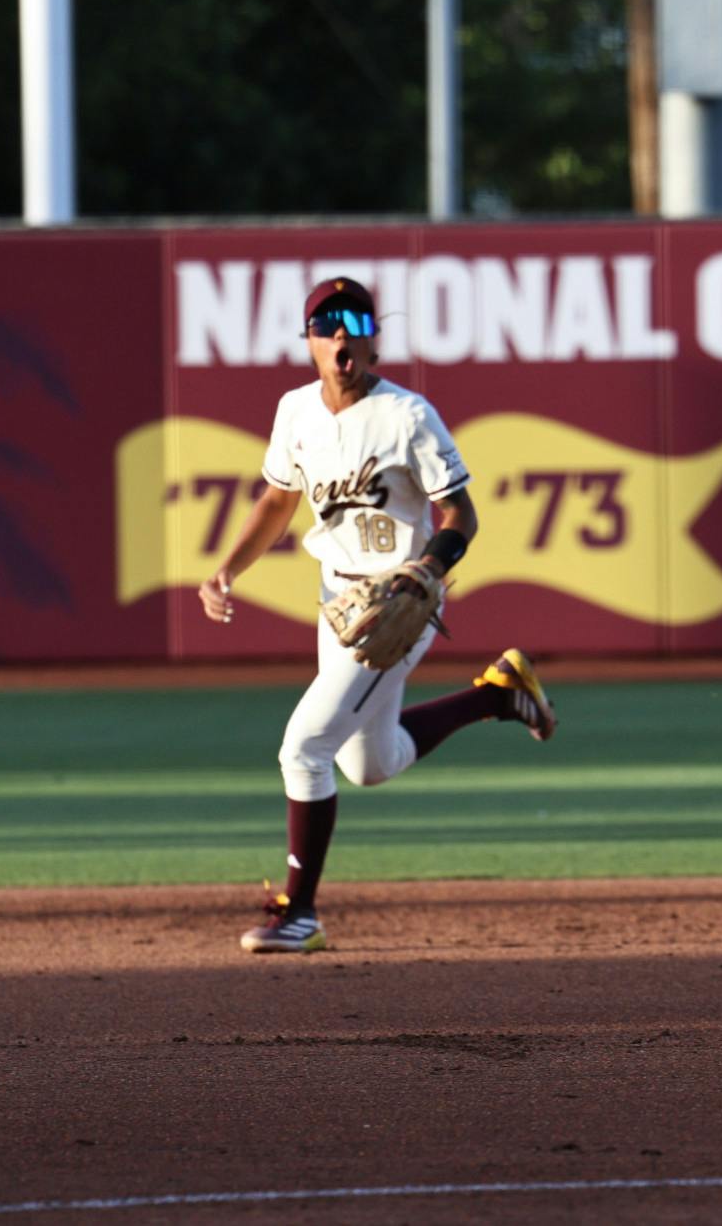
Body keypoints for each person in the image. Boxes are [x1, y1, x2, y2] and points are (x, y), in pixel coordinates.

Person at [199, 277, 556, 954]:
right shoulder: (295, 411)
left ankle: (297, 910)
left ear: (372, 337)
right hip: (339, 603)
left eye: (355, 320)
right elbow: (278, 500)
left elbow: (462, 514)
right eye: (327, 322)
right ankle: (497, 696)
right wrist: (229, 567)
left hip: (402, 601)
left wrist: (430, 566)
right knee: (370, 763)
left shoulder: (407, 415)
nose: (342, 333)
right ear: (309, 340)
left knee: (304, 747)